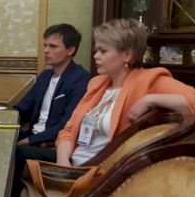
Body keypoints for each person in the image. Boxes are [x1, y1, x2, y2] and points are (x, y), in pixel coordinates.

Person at [56, 18, 195, 166]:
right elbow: (68, 131)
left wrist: (150, 100)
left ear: (127, 55)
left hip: (107, 172)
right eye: (96, 50)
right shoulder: (97, 84)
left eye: (103, 51)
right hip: (73, 167)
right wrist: (63, 163)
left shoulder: (148, 80)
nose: (96, 56)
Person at [15, 24, 91, 160]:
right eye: (45, 45)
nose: (46, 51)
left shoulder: (81, 79)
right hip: (33, 134)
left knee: (13, 151)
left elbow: (66, 125)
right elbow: (23, 109)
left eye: (53, 46)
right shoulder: (45, 76)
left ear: (70, 50)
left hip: (53, 143)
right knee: (0, 140)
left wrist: (29, 141)